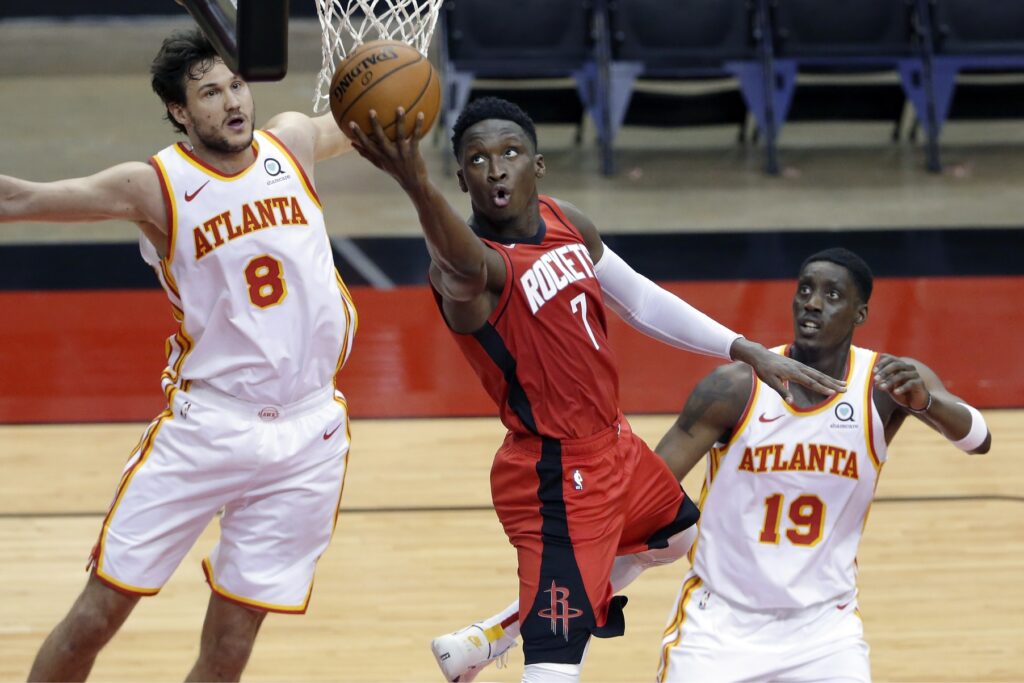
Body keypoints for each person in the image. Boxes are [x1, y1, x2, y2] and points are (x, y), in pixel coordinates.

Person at [346, 96, 845, 683]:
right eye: (478, 160)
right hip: (556, 478)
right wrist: (414, 185)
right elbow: (455, 258)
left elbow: (637, 299)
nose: (497, 167)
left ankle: (484, 639)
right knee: (556, 666)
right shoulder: (473, 273)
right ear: (461, 179)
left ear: (538, 163)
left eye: (511, 152)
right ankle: (520, 636)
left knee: (675, 536)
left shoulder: (566, 222)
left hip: (613, 446)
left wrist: (743, 347)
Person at [442, 247, 992, 682]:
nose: (812, 303)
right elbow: (637, 504)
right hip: (719, 627)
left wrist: (931, 403)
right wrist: (541, 604)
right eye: (804, 291)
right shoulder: (735, 387)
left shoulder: (886, 385)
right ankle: (502, 631)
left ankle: (497, 633)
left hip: (826, 630)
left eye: (831, 295)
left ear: (861, 312)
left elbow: (979, 440)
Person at [1, 28, 357, 682]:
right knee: (95, 616)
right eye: (210, 92)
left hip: (309, 434)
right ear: (179, 112)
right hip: (208, 428)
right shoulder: (154, 184)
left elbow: (372, 115)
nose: (232, 103)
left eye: (236, 85)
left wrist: (403, 74)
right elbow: (18, 198)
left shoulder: (292, 143)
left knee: (230, 647)